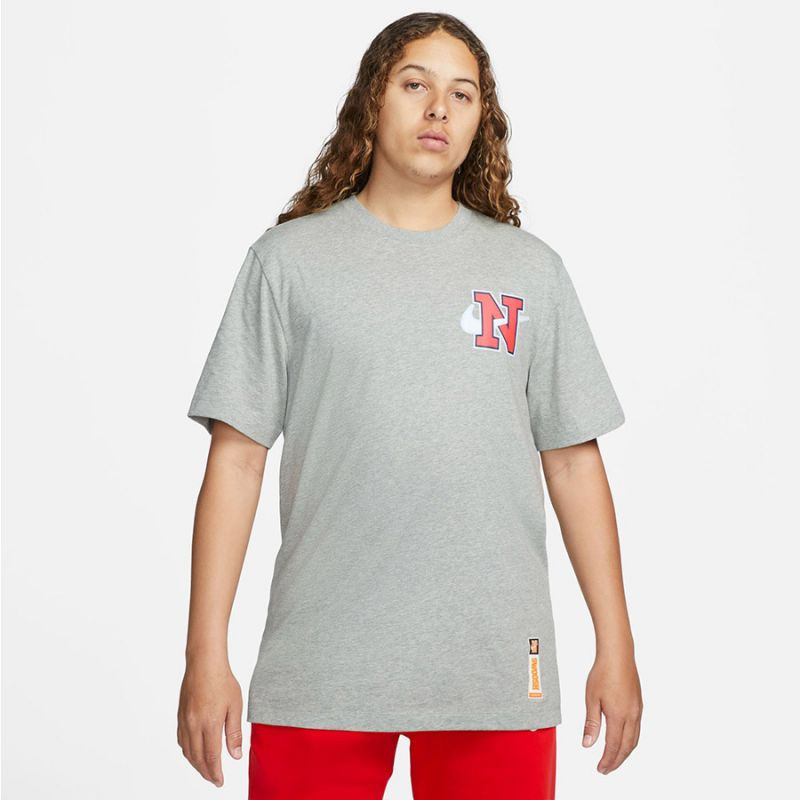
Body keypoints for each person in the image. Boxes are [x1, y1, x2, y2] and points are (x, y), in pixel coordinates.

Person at [177, 12, 642, 799]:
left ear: (480, 119)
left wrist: (617, 646)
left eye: (462, 94)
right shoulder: (288, 264)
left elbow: (572, 465)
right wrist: (204, 655)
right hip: (322, 663)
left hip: (494, 667)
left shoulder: (529, 272)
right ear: (373, 98)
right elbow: (237, 461)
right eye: (415, 84)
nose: (437, 109)